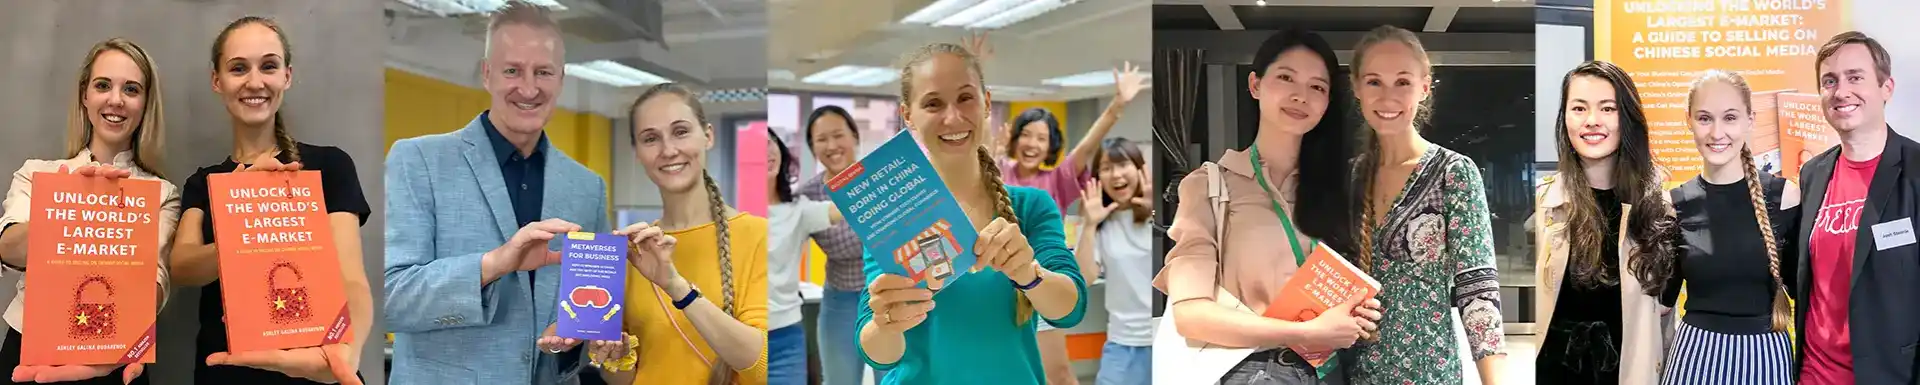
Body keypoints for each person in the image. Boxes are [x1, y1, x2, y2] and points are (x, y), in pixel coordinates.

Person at [382, 2, 629, 384]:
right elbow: (390, 298)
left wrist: (573, 340)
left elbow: (589, 313)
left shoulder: (586, 187)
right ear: (487, 74)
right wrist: (494, 264)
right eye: (512, 70)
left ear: (561, 79)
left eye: (542, 72)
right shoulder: (419, 160)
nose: (528, 88)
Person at [1155, 28, 1383, 385]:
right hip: (1251, 373)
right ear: (1255, 85)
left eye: (1317, 87)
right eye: (1286, 77)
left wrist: (1356, 311)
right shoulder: (1209, 186)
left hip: (1330, 372)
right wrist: (1305, 333)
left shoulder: (1342, 189)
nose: (1300, 96)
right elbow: (1191, 315)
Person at [856, 42, 1090, 384]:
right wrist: (886, 323)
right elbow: (879, 353)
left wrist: (1029, 273)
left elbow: (1070, 310)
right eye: (933, 103)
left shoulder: (1031, 207)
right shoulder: (894, 213)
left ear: (987, 103)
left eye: (965, 97)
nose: (952, 117)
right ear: (908, 116)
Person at [159, 17, 372, 385]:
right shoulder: (204, 181)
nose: (254, 82)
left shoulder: (330, 166)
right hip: (226, 372)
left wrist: (346, 354)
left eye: (268, 66)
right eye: (238, 68)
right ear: (217, 81)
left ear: (286, 76)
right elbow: (182, 267)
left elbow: (351, 278)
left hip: (316, 368)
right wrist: (239, 221)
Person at [540, 83, 770, 384]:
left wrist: (676, 286)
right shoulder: (634, 250)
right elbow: (621, 379)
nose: (668, 150)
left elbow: (762, 366)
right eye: (651, 138)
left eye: (681, 131)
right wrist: (615, 356)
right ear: (637, 152)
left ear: (708, 136)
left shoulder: (758, 235)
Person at [0, 37, 180, 385]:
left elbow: (155, 287)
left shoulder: (161, 194)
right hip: (29, 351)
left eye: (131, 89)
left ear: (145, 104)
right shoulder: (37, 174)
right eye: (103, 86)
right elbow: (8, 249)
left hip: (117, 360)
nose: (116, 100)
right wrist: (74, 204)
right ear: (85, 96)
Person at [1340, 25, 1505, 384]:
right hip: (1355, 373)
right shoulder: (1353, 177)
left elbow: (1477, 289)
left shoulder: (1452, 173)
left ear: (1424, 86)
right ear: (1356, 88)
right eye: (1373, 82)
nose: (1388, 97)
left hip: (1428, 373)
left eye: (1402, 82)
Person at [1534, 60, 1680, 385]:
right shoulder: (1543, 204)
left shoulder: (1660, 211)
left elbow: (1665, 322)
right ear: (1565, 118)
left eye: (1607, 108)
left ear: (1626, 118)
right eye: (1579, 108)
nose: (1592, 121)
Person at [1659, 70, 1801, 384]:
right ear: (1689, 121)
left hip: (1767, 357)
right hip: (1694, 358)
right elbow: (1662, 303)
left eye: (1730, 117)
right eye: (1705, 118)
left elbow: (1804, 291)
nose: (1717, 132)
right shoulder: (1674, 203)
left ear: (1750, 120)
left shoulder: (1785, 197)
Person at [1792, 31, 1918, 385]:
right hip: (1814, 374)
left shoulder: (1916, 171)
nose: (1841, 91)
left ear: (1886, 87)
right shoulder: (1812, 174)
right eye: (1829, 81)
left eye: (1855, 77)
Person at [794, 105, 885, 384]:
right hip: (840, 300)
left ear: (854, 137)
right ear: (813, 148)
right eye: (821, 140)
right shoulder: (807, 196)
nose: (832, 146)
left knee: (895, 377)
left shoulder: (882, 178)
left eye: (838, 135)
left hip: (889, 294)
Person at [1073, 137, 1152, 385]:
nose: (1116, 175)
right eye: (1106, 168)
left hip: (1168, 340)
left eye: (1123, 165)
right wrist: (1089, 225)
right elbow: (1083, 278)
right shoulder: (1100, 225)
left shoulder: (1164, 214)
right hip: (1122, 344)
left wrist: (1158, 215)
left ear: (1140, 169)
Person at [767, 127, 842, 384]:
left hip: (785, 337)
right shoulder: (729, 210)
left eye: (770, 143)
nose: (766, 152)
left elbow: (844, 205)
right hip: (737, 333)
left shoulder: (798, 210)